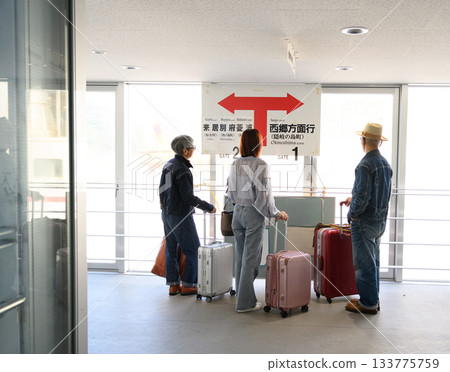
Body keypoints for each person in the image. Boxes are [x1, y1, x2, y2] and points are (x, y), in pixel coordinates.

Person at [227, 129, 288, 313]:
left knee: (241, 258)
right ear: (258, 144)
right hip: (253, 215)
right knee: (250, 260)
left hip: (237, 212)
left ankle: (241, 297)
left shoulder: (234, 163)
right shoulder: (261, 164)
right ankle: (245, 303)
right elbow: (264, 197)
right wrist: (275, 213)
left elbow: (230, 192)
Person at [343, 123, 392, 315]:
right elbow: (379, 195)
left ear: (363, 141)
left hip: (363, 223)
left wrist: (351, 215)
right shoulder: (385, 164)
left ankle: (368, 303)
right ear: (379, 142)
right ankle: (373, 299)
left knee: (364, 265)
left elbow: (362, 200)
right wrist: (353, 199)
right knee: (374, 262)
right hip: (380, 222)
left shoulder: (364, 165)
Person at [159, 135, 216, 296]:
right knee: (193, 250)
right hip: (181, 216)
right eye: (192, 148)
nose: (193, 150)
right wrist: (208, 207)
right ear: (185, 151)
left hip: (166, 213)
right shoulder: (183, 170)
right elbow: (188, 198)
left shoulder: (168, 164)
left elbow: (162, 191)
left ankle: (173, 285)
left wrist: (165, 209)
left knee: (171, 249)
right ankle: (189, 285)